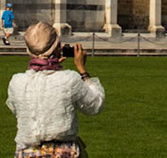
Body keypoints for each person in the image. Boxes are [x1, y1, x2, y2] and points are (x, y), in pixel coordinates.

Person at [6, 21, 104, 158]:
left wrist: (50, 67)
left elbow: (17, 109)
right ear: (57, 47)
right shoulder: (69, 79)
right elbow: (95, 105)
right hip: (63, 152)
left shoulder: (17, 82)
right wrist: (83, 71)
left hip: (27, 152)